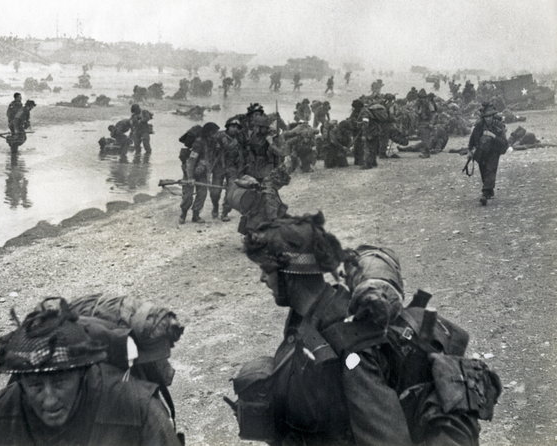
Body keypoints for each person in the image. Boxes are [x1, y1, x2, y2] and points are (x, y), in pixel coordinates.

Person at [228, 212, 501, 446]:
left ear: (291, 274)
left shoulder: (353, 346)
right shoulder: (303, 315)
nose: (262, 278)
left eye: (266, 269)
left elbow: (385, 439)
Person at [0, 298, 182, 446]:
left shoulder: (137, 407)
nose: (50, 400)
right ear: (21, 381)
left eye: (60, 383)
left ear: (83, 373)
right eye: (35, 385)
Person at [467, 103, 508, 206]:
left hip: (494, 150)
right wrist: (470, 150)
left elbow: (504, 143)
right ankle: (489, 190)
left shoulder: (498, 125)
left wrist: (493, 135)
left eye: (490, 116)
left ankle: (485, 193)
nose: (488, 119)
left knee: (490, 169)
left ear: (493, 116)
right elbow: (472, 138)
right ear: (483, 117)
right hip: (481, 151)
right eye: (486, 117)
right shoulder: (479, 125)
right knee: (483, 170)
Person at [181, 122, 220, 223]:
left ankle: (196, 215)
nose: (216, 135)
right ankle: (183, 214)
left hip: (202, 172)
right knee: (188, 196)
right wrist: (190, 177)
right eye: (215, 133)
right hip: (190, 171)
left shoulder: (213, 143)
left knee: (202, 194)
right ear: (209, 133)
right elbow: (191, 161)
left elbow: (211, 159)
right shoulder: (198, 143)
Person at [212, 118, 244, 221]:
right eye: (233, 127)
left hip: (232, 167)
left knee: (231, 191)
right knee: (215, 192)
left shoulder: (239, 138)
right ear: (228, 126)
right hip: (219, 167)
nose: (235, 129)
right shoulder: (219, 136)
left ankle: (225, 212)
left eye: (237, 128)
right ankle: (215, 206)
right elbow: (223, 148)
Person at [245, 115, 284, 181]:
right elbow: (250, 148)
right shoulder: (254, 136)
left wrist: (271, 143)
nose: (256, 129)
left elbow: (281, 153)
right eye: (256, 126)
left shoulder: (274, 137)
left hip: (268, 166)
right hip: (255, 166)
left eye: (259, 127)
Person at [415, 89, 437, 158]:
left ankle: (426, 153)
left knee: (426, 139)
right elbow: (418, 114)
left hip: (427, 123)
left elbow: (434, 114)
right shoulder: (419, 104)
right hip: (421, 123)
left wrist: (431, 123)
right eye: (420, 98)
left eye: (422, 98)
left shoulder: (429, 103)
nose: (421, 99)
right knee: (423, 138)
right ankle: (424, 152)